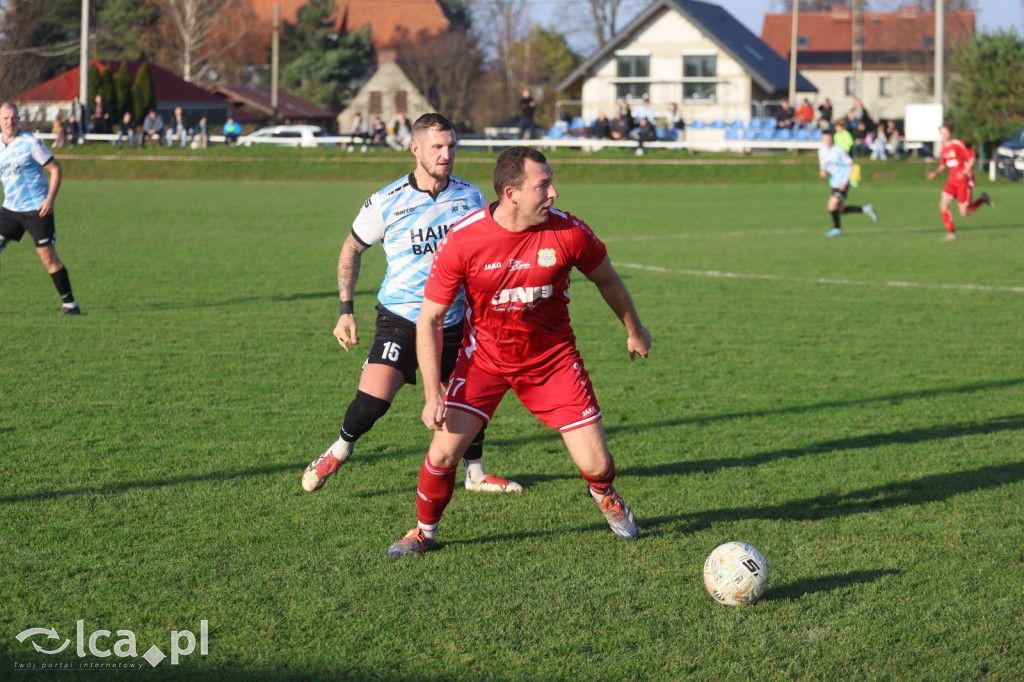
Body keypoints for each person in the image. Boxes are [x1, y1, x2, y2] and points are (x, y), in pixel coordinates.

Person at [386, 145, 652, 556]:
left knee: (597, 465)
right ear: (511, 193)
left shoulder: (568, 231)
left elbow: (608, 280)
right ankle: (423, 532)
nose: (554, 193)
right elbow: (430, 319)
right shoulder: (463, 240)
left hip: (553, 362)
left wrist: (634, 330)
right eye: (543, 185)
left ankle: (604, 494)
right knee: (442, 454)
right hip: (484, 361)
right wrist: (432, 394)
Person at [301, 113, 521, 496]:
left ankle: (475, 474)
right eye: (437, 147)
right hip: (401, 318)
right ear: (415, 148)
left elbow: (488, 250)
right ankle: (339, 450)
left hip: (454, 320)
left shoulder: (470, 196)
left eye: (451, 146)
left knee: (466, 402)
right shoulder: (385, 202)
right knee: (372, 402)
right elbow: (351, 250)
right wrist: (345, 310)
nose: (446, 154)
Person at [0, 103, 80, 316]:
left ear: (19, 119)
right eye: (5, 118)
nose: (10, 122)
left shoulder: (31, 143)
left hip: (37, 209)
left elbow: (55, 169)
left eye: (13, 118)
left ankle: (70, 304)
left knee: (47, 258)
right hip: (10, 209)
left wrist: (50, 200)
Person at [926, 121, 993, 241]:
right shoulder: (943, 148)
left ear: (951, 133)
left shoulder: (958, 144)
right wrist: (934, 174)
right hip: (951, 182)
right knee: (943, 205)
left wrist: (965, 171)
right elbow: (943, 164)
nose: (944, 135)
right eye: (942, 133)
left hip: (963, 182)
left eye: (946, 133)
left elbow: (972, 158)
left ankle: (983, 199)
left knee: (964, 213)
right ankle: (951, 233)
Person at [819, 128, 878, 237]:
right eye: (825, 139)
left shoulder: (839, 150)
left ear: (832, 139)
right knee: (840, 210)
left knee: (831, 206)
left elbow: (850, 165)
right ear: (822, 140)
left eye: (829, 139)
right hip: (834, 183)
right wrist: (822, 170)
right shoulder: (822, 150)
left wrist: (845, 181)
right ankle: (866, 209)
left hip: (842, 182)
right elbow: (823, 163)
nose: (827, 141)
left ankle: (837, 229)